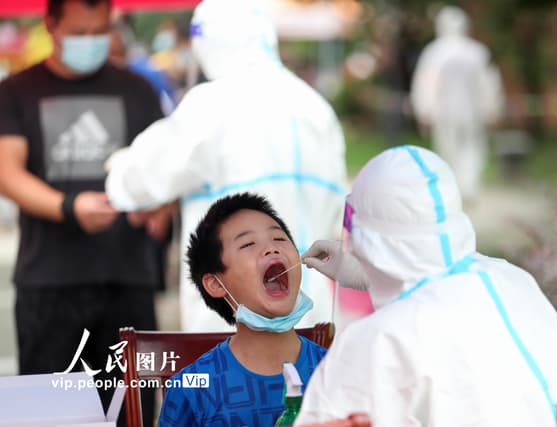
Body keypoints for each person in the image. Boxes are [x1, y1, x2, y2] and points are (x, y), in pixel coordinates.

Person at [295, 146, 557, 426]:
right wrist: (364, 274)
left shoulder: (381, 338)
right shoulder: (514, 281)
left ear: (363, 237)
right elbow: (435, 283)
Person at [106, 0, 348, 333]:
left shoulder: (211, 104)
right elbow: (337, 215)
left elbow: (140, 180)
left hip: (232, 323)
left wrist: (115, 168)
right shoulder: (318, 109)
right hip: (312, 319)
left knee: (231, 384)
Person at [0, 0, 168, 424]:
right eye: (79, 32)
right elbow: (7, 172)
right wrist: (69, 207)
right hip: (49, 283)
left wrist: (155, 207)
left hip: (127, 281)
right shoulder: (17, 91)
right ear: (52, 25)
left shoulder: (138, 90)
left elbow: (162, 169)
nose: (91, 42)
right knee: (49, 416)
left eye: (99, 31)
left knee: (132, 414)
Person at [158, 192, 328, 426]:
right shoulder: (191, 390)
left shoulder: (335, 370)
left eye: (279, 239)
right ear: (217, 284)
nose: (271, 249)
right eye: (248, 244)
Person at [410, 5, 503, 202]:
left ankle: (454, 188)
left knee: (449, 149)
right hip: (472, 112)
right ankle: (467, 187)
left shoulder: (434, 53)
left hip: (445, 112)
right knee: (472, 148)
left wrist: (425, 110)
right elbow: (488, 84)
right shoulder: (476, 52)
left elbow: (425, 86)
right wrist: (491, 108)